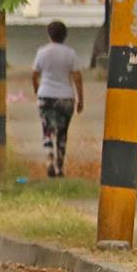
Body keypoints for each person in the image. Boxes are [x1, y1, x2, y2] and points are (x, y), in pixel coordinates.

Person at [31, 19, 85, 178]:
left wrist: (36, 88)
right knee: (62, 132)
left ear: (49, 34)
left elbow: (34, 74)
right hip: (65, 98)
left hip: (45, 95)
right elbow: (77, 78)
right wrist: (80, 99)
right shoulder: (71, 53)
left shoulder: (42, 52)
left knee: (46, 128)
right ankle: (59, 165)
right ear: (65, 35)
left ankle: (49, 157)